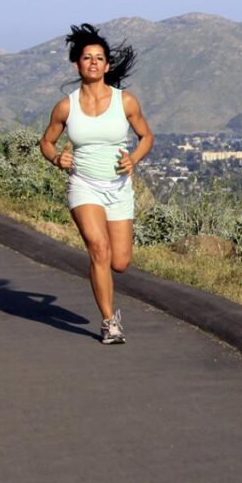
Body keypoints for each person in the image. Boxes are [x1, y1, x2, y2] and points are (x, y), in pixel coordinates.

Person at [39, 23, 153, 344]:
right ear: (77, 63)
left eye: (99, 58)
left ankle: (108, 307)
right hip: (83, 185)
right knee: (99, 250)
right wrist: (56, 159)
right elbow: (46, 142)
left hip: (118, 189)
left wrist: (134, 158)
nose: (93, 63)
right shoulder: (66, 106)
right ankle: (108, 321)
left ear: (107, 65)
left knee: (120, 262)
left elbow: (146, 137)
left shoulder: (125, 102)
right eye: (87, 57)